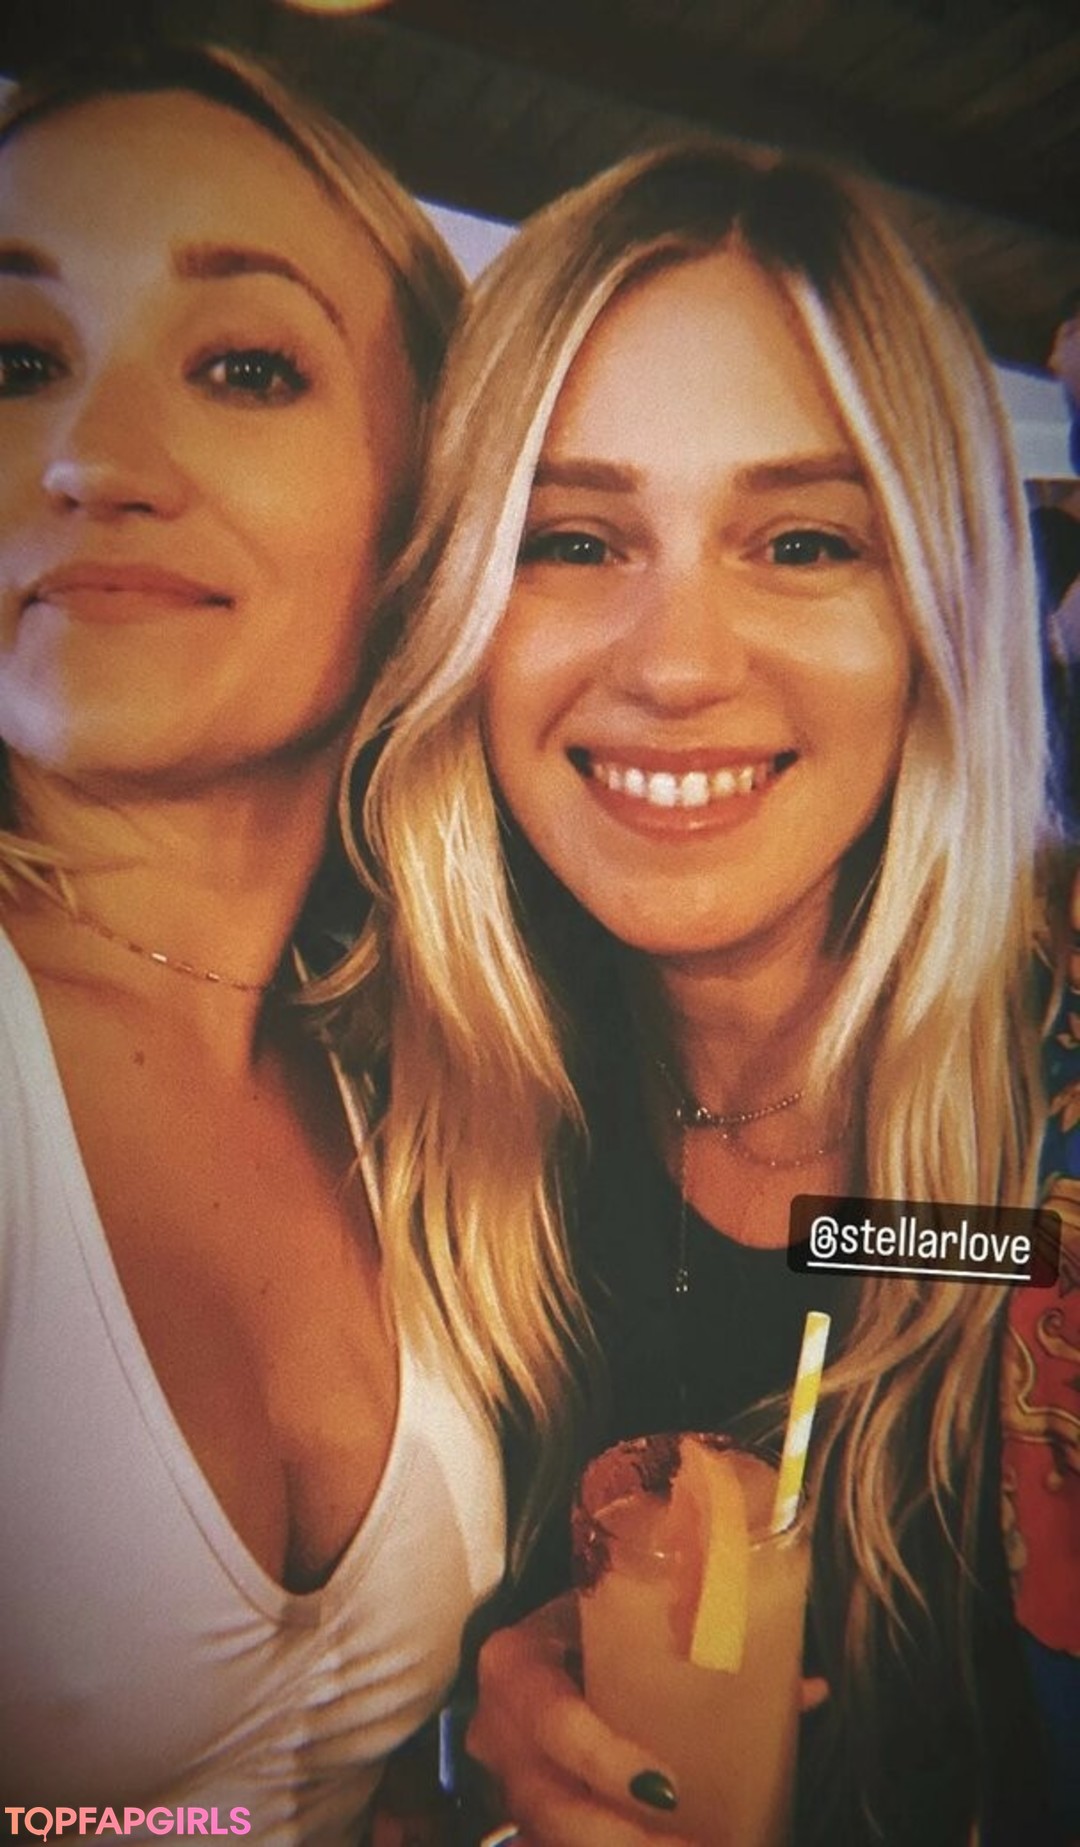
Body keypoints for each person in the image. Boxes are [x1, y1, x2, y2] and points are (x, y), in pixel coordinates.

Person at [333, 141, 1080, 1844]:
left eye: (803, 540)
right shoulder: (410, 1093)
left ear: (944, 612)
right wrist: (471, 1744)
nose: (676, 664)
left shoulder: (1045, 1145)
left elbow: (984, 1252)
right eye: (573, 540)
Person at [0, 42, 570, 1841]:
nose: (90, 459)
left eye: (243, 367)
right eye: (16, 362)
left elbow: (881, 1246)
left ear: (427, 508)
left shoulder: (426, 1063)